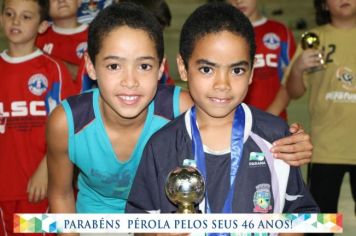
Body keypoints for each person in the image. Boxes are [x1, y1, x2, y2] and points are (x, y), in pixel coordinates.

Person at [125, 2, 319, 215]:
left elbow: (300, 215)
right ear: (183, 67)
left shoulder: (277, 140)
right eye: (207, 69)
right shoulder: (161, 145)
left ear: (252, 71)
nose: (222, 85)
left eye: (237, 70)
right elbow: (140, 221)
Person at [46, 2, 192, 215]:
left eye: (144, 66)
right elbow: (61, 194)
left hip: (162, 219)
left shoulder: (182, 110)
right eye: (114, 66)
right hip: (95, 221)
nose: (130, 81)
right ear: (90, 66)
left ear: (161, 68)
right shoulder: (66, 123)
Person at [0, 0, 73, 235]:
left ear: (42, 26)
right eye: (9, 14)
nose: (15, 21)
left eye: (26, 16)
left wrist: (46, 168)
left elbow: (70, 125)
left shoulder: (54, 70)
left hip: (38, 188)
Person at [285, 0, 356, 218]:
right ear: (324, 5)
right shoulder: (314, 39)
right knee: (321, 223)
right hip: (325, 148)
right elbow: (294, 91)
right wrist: (297, 69)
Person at [228, 0, 296, 120]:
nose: (238, 1)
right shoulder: (220, 34)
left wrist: (267, 118)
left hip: (273, 122)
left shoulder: (280, 31)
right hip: (232, 124)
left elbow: (290, 81)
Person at [36, 0, 88, 82]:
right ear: (45, 7)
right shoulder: (36, 39)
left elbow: (98, 75)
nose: (61, 0)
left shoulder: (96, 35)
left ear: (79, 1)